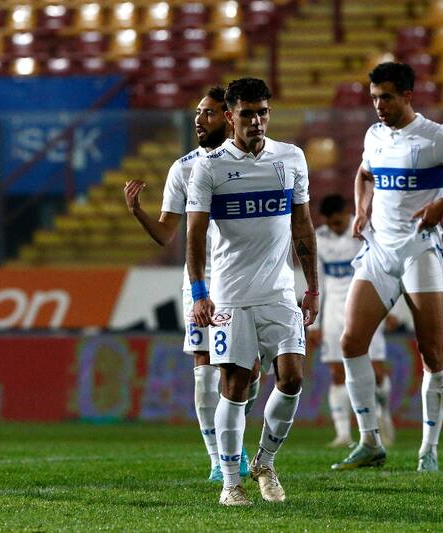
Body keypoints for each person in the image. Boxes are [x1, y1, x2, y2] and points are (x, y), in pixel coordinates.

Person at [332, 62, 443, 473]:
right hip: (379, 251)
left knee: (433, 353)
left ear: (408, 95)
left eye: (386, 97)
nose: (379, 106)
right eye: (373, 98)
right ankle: (370, 441)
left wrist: (442, 205)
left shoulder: (435, 137)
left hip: (419, 250)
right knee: (351, 342)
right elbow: (364, 173)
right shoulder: (374, 136)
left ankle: (428, 450)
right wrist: (361, 209)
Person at [186, 77, 318, 506]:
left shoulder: (291, 158)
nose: (257, 121)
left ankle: (265, 461)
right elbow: (194, 235)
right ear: (230, 116)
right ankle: (230, 483)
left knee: (293, 377)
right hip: (230, 295)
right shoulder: (209, 167)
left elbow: (303, 225)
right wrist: (200, 293)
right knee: (235, 386)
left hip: (280, 293)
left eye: (263, 112)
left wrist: (312, 286)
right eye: (247, 113)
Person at [122, 87, 260, 482]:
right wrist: (137, 213)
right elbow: (168, 234)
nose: (199, 120)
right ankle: (219, 458)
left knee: (247, 372)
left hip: (246, 279)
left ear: (230, 117)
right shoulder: (183, 168)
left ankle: (233, 439)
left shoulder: (255, 162)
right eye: (197, 113)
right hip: (201, 279)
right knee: (204, 366)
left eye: (209, 113)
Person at [307, 194, 394, 449]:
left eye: (337, 221)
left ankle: (383, 414)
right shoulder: (319, 239)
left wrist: (390, 307)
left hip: (364, 305)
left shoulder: (364, 231)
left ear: (347, 212)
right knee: (336, 373)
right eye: (330, 223)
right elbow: (317, 281)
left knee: (376, 372)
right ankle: (343, 433)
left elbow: (384, 267)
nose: (334, 227)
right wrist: (315, 324)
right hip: (333, 309)